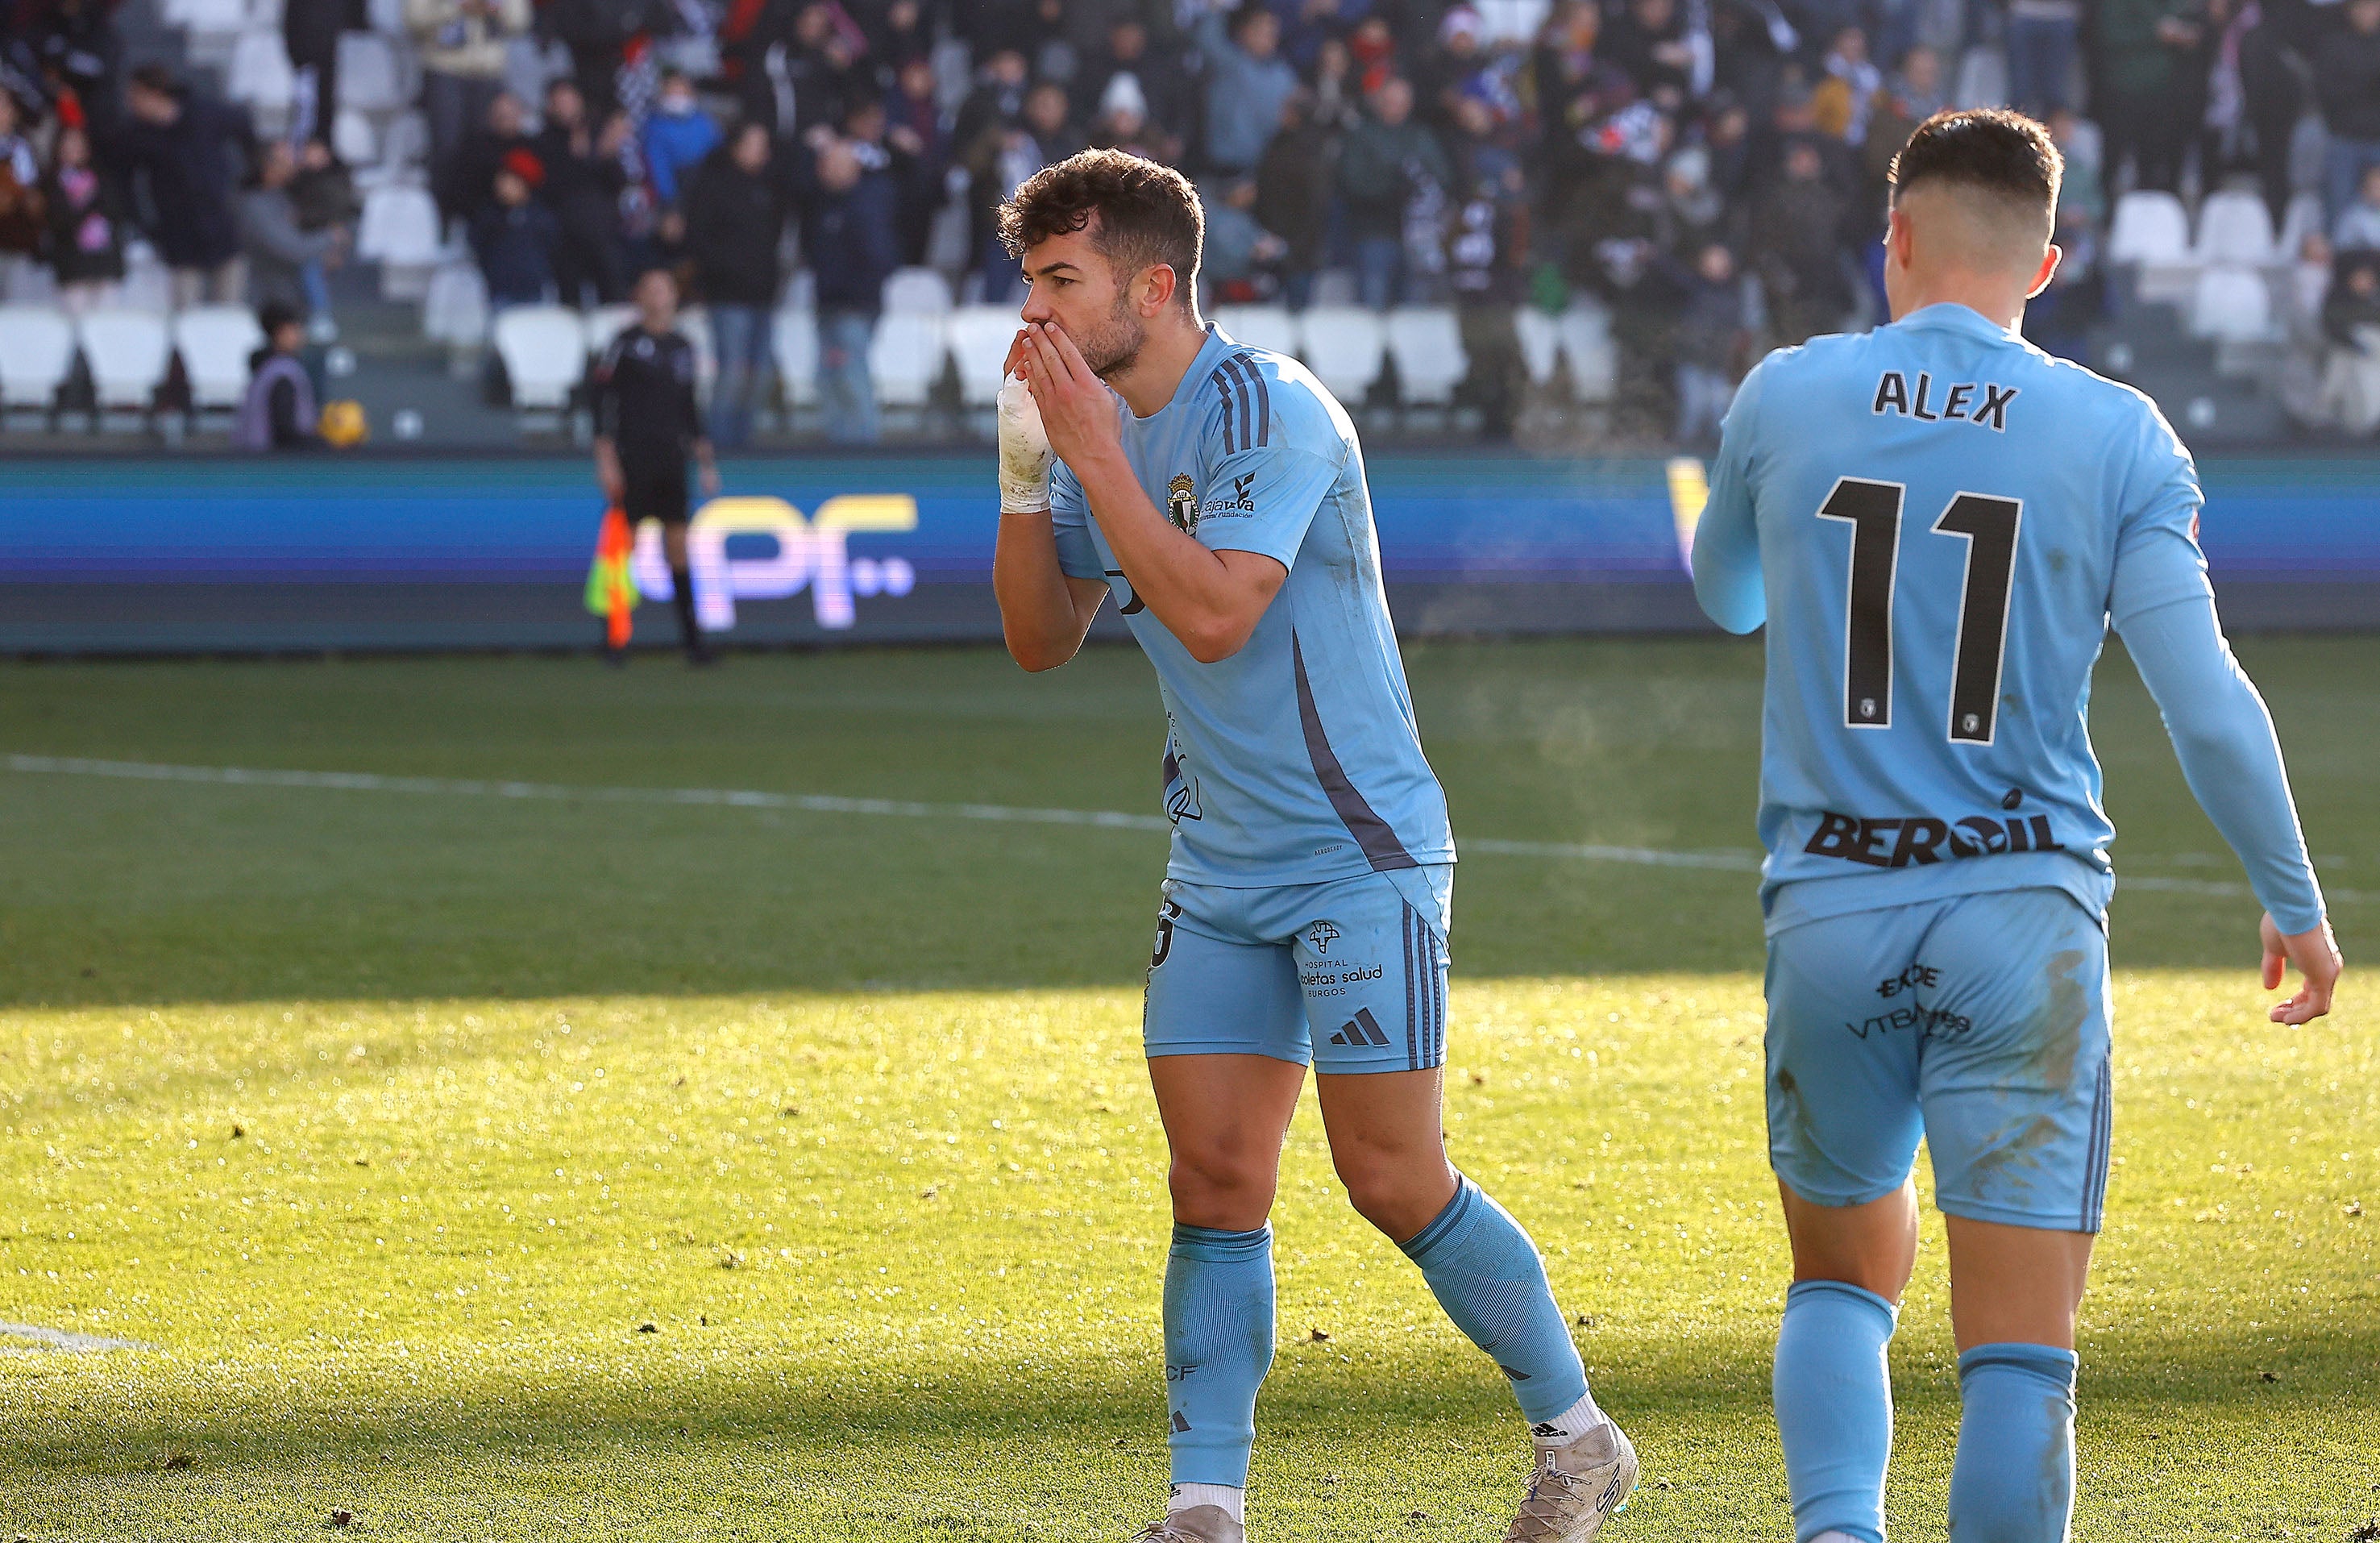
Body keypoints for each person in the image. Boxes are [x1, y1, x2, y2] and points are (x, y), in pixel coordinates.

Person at [1688, 108, 2342, 1543]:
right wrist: (2291, 898)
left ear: (1894, 242)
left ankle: (1833, 1530)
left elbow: (1723, 593)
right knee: (2017, 1354)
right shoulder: (2115, 432)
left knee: (1838, 1281)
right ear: (2044, 263)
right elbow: (2208, 703)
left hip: (1829, 911)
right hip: (2021, 920)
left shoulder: (1783, 392)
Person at [988, 148, 1639, 1543]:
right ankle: (1205, 1502)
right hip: (1219, 864)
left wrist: (1089, 451)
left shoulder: (1270, 411)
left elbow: (1217, 613)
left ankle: (1577, 1435)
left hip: (1357, 850)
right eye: (1025, 284)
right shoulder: (1091, 424)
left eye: (1059, 282)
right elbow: (1041, 638)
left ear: (1151, 287)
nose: (1032, 315)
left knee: (1390, 1175)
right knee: (1213, 1177)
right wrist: (1024, 465)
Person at [588, 267, 721, 664]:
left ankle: (692, 643)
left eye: (664, 289)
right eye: (650, 289)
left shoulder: (683, 347)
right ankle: (615, 641)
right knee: (622, 549)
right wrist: (606, 458)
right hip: (633, 456)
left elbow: (689, 407)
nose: (658, 297)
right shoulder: (624, 345)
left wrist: (705, 459)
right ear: (640, 297)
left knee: (678, 546)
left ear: (674, 297)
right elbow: (600, 403)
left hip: (672, 457)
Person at [111, 65, 253, 307]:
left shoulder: (202, 113)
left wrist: (246, 177)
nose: (132, 104)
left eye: (136, 97)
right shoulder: (137, 135)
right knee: (186, 315)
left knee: (229, 311)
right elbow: (125, 182)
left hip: (221, 226)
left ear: (154, 94)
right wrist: (146, 224)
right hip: (179, 237)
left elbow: (243, 125)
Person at [795, 119, 899, 444]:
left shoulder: (867, 204)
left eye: (837, 163)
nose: (828, 170)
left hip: (854, 306)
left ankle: (862, 449)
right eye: (825, 163)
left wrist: (849, 287)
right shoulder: (820, 203)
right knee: (828, 377)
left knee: (851, 376)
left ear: (853, 167)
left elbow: (880, 256)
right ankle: (837, 445)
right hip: (829, 304)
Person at [683, 121, 785, 449]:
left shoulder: (768, 187)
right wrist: (725, 273)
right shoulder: (713, 186)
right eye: (756, 143)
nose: (763, 151)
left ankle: (745, 441)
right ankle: (719, 443)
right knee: (732, 373)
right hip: (728, 297)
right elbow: (699, 240)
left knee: (760, 374)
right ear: (735, 146)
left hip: (763, 297)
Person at [406, 0, 532, 205]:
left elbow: (521, 21)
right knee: (447, 150)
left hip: (489, 72)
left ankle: (481, 218)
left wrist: (496, 9)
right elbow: (414, 19)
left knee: (487, 151)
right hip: (445, 70)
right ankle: (442, 215)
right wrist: (458, 8)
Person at [239, 139, 347, 317]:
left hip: (296, 296)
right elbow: (291, 248)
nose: (292, 165)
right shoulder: (256, 206)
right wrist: (330, 238)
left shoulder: (283, 195)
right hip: (272, 301)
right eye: (286, 161)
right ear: (269, 166)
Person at [43, 124, 128, 313]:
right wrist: (88, 204)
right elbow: (58, 221)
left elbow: (115, 212)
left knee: (106, 322)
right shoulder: (52, 181)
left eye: (78, 144)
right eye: (68, 144)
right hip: (73, 266)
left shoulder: (101, 177)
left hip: (104, 262)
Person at [469, 156, 557, 306]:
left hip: (534, 289)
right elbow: (477, 242)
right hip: (501, 290)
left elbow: (551, 244)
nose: (505, 187)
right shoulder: (490, 215)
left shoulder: (539, 216)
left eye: (513, 182)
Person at [236, 302, 320, 450]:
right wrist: (322, 445)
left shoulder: (264, 370)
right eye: (294, 329)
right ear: (280, 332)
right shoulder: (282, 374)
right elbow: (285, 431)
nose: (300, 335)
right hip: (275, 466)